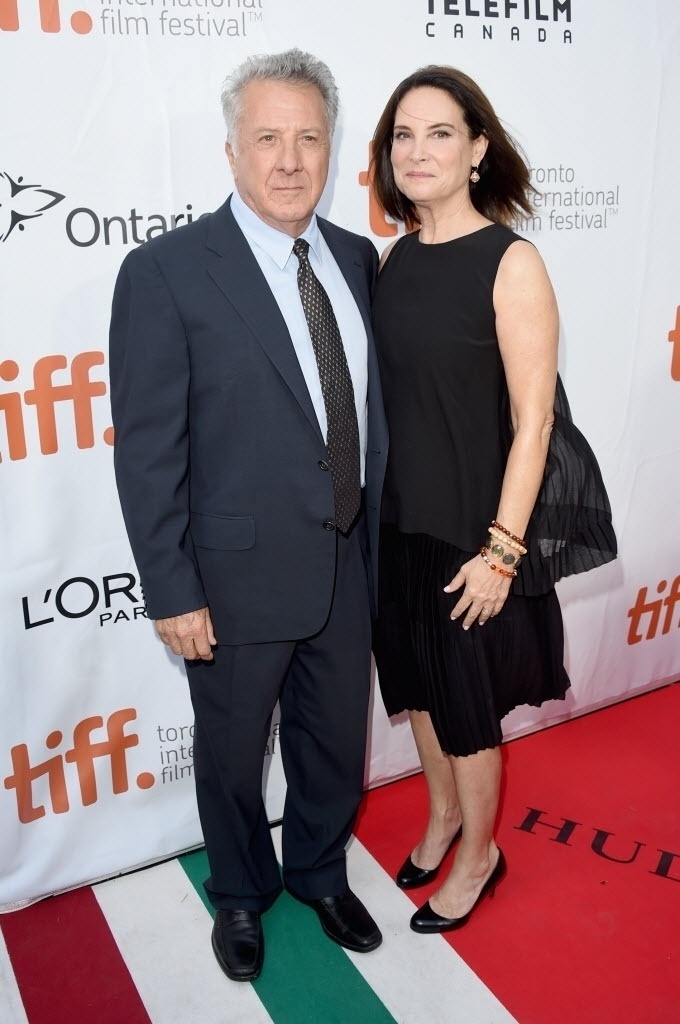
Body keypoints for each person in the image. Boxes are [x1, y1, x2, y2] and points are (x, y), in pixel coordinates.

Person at [109, 48, 388, 982]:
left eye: (309, 138)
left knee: (333, 744)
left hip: (347, 562)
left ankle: (316, 869)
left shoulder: (354, 256)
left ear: (330, 147)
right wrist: (173, 588)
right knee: (231, 758)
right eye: (267, 138)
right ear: (230, 149)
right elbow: (148, 452)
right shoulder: (167, 273)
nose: (289, 160)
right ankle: (240, 890)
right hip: (228, 581)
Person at [370, 66, 616, 934]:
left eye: (440, 132)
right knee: (423, 693)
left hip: (473, 534)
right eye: (404, 133)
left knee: (467, 710)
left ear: (477, 150)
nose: (418, 149)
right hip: (396, 528)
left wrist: (504, 549)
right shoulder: (393, 258)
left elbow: (536, 419)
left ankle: (481, 853)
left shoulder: (512, 260)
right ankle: (443, 821)